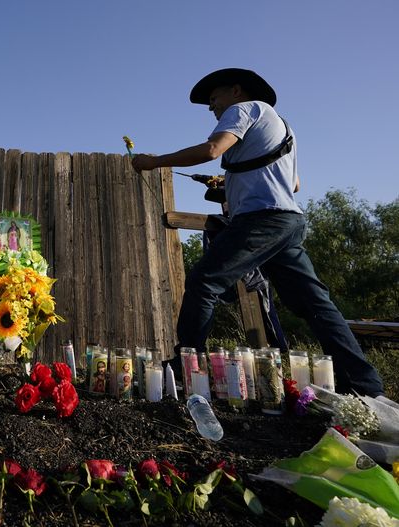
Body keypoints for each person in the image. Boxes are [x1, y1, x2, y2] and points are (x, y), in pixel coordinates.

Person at [130, 68, 384, 397]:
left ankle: (185, 366)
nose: (211, 107)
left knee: (204, 281)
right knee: (314, 303)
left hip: (261, 220)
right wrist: (230, 184)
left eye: (214, 98)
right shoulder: (282, 126)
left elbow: (211, 150)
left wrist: (154, 162)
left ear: (236, 91)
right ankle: (364, 385)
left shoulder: (245, 109)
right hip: (288, 222)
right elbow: (294, 184)